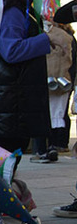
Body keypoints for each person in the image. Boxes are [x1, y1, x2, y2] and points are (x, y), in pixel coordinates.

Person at [36, 20, 77, 161]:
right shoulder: (68, 37)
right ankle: (57, 144)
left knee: (48, 114)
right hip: (63, 79)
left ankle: (46, 147)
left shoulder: (47, 35)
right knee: (58, 114)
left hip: (51, 79)